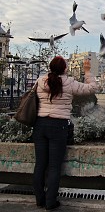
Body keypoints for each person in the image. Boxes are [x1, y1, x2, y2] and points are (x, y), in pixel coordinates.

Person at [33, 56, 97, 210]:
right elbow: (92, 88)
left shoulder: (41, 81)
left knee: (40, 165)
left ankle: (39, 200)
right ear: (64, 68)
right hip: (58, 126)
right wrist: (88, 72)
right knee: (55, 167)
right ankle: (50, 202)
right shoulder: (70, 83)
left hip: (40, 125)